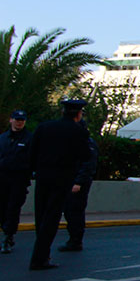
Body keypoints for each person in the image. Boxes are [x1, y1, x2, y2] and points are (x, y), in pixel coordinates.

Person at [27, 98, 91, 270]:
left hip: (43, 177)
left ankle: (41, 255)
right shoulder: (78, 132)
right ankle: (40, 257)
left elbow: (31, 153)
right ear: (79, 114)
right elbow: (86, 155)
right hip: (62, 179)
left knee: (41, 215)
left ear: (63, 111)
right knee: (52, 217)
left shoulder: (44, 127)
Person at [58, 131, 98, 252]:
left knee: (75, 211)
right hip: (72, 180)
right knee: (69, 211)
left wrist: (79, 182)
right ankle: (74, 239)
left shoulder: (87, 144)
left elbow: (88, 165)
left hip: (78, 182)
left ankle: (76, 240)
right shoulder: (76, 142)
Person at [1, 109, 33, 254]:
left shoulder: (29, 139)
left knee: (13, 209)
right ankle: (6, 230)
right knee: (2, 208)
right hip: (2, 179)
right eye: (17, 120)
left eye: (22, 120)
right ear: (11, 120)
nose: (19, 123)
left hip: (19, 179)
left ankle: (8, 236)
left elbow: (33, 159)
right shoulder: (3, 138)